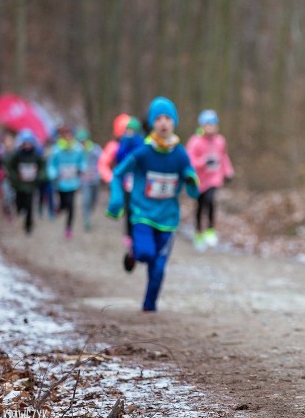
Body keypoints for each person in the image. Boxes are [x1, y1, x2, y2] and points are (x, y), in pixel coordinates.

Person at [106, 97, 199, 312]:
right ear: (152, 123)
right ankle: (133, 253)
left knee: (159, 268)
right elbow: (118, 174)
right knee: (146, 253)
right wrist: (117, 198)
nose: (163, 123)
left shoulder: (179, 153)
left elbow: (190, 175)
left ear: (174, 122)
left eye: (168, 118)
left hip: (168, 218)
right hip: (142, 213)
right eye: (158, 118)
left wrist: (191, 181)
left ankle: (149, 306)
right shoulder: (144, 152)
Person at [186, 109, 234, 252]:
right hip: (199, 180)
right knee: (200, 206)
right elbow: (189, 161)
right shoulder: (195, 141)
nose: (210, 128)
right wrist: (204, 162)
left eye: (213, 124)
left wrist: (228, 171)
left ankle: (210, 230)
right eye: (207, 124)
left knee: (211, 200)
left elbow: (223, 157)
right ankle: (198, 232)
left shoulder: (220, 140)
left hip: (214, 178)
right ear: (201, 126)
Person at [99, 113, 134, 254]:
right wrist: (111, 179)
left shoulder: (136, 143)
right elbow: (103, 164)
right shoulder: (113, 146)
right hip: (122, 182)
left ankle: (133, 234)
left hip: (136, 183)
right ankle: (128, 235)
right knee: (127, 209)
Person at [48, 125, 87, 240]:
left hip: (73, 182)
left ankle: (68, 229)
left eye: (70, 135)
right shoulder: (56, 150)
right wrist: (54, 174)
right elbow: (52, 165)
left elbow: (82, 162)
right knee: (64, 204)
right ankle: (59, 208)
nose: (68, 137)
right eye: (65, 135)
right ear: (62, 136)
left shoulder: (78, 149)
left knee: (70, 205)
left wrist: (82, 169)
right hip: (61, 183)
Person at [6, 129, 47, 234]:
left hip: (31, 185)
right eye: (25, 143)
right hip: (19, 185)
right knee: (19, 202)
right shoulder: (17, 155)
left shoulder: (36, 155)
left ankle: (28, 226)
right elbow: (10, 167)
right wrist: (16, 177)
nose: (27, 145)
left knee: (29, 205)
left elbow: (43, 167)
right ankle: (20, 211)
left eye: (29, 143)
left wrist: (38, 176)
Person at [76, 128, 102, 232]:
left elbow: (103, 160)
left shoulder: (95, 149)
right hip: (84, 181)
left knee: (94, 200)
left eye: (84, 140)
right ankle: (86, 219)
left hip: (95, 179)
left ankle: (90, 212)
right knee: (86, 200)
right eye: (80, 141)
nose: (82, 143)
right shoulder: (77, 151)